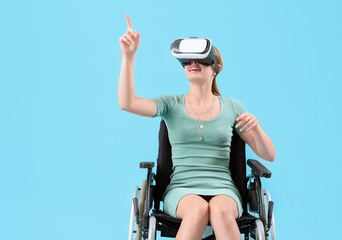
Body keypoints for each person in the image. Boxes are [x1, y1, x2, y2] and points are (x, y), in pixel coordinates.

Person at [118, 14, 276, 240]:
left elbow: (269, 155)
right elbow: (127, 103)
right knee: (198, 209)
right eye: (188, 61)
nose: (193, 64)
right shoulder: (171, 104)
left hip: (224, 190)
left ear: (215, 68)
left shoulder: (232, 107)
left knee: (220, 210)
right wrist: (128, 56)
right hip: (182, 189)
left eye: (202, 60)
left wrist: (257, 128)